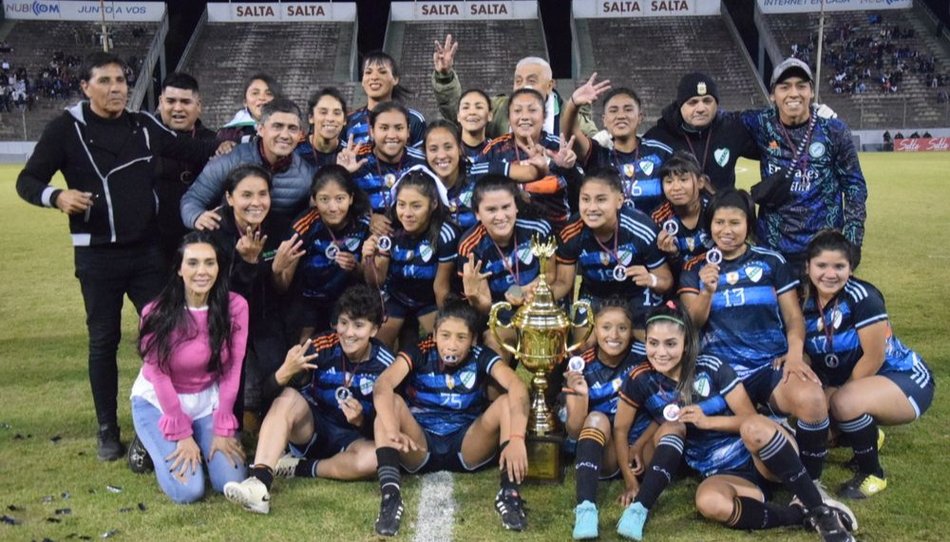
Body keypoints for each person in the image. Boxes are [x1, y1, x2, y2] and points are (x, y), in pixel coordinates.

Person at [15, 52, 225, 460]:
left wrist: (233, 143)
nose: (116, 89)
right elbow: (28, 180)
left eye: (121, 81)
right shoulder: (65, 129)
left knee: (169, 336)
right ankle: (108, 429)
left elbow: (192, 150)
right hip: (97, 257)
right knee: (103, 341)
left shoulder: (143, 125)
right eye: (106, 81)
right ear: (85, 87)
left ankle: (173, 418)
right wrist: (56, 196)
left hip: (146, 253)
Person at [612, 302, 856, 542]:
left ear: (686, 345)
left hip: (759, 455)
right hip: (721, 472)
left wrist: (708, 422)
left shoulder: (711, 366)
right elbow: (623, 428)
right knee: (708, 501)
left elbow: (750, 418)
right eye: (653, 343)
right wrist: (631, 478)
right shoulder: (641, 379)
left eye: (671, 344)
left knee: (753, 427)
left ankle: (821, 513)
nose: (661, 352)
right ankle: (797, 515)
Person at [678, 189, 831, 484]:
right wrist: (707, 290)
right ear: (709, 226)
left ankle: (810, 483)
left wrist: (796, 356)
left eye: (735, 222)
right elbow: (692, 323)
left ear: (749, 224)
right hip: (720, 374)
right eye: (719, 222)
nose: (726, 230)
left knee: (812, 398)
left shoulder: (771, 262)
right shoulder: (694, 267)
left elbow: (793, 317)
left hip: (768, 366)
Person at [224, 285, 394, 514]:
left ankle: (300, 468)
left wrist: (362, 421)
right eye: (344, 323)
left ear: (374, 329)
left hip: (352, 440)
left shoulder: (387, 365)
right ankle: (259, 483)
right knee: (288, 397)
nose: (349, 333)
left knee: (375, 459)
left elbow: (389, 425)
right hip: (312, 429)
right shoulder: (320, 346)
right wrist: (283, 372)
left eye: (359, 325)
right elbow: (268, 399)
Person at [371, 299, 530, 536]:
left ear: (473, 339)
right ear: (434, 335)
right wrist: (393, 429)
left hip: (467, 444)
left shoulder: (480, 355)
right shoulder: (418, 351)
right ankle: (390, 497)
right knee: (388, 408)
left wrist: (517, 437)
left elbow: (517, 386)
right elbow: (383, 385)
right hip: (420, 444)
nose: (452, 345)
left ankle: (509, 495)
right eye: (445, 335)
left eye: (461, 337)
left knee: (506, 402)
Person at [801, 231, 934, 499]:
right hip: (854, 382)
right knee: (813, 415)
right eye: (822, 266)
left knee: (844, 403)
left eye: (839, 266)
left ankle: (873, 474)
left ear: (850, 268)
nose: (830, 274)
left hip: (904, 377)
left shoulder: (863, 297)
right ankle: (867, 434)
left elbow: (874, 358)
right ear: (808, 267)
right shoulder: (804, 301)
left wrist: (837, 400)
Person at [130, 231, 249, 503]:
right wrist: (182, 435)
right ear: (179, 269)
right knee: (189, 491)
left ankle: (198, 438)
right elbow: (159, 376)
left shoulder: (236, 307)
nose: (202, 271)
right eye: (193, 263)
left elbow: (233, 369)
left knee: (231, 481)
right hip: (161, 402)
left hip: (207, 399)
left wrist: (222, 425)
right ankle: (151, 440)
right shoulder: (155, 312)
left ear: (219, 267)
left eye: (210, 262)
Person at [741, 58, 868, 271]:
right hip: (773, 249)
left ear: (811, 92)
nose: (793, 93)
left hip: (823, 248)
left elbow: (855, 186)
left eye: (801, 86)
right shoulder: (759, 123)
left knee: (824, 305)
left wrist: (853, 241)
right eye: (785, 87)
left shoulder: (834, 130)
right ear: (773, 94)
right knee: (778, 305)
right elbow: (717, 122)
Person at [565, 298, 656, 540]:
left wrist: (636, 451)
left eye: (622, 328)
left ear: (632, 331)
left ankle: (640, 505)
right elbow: (574, 431)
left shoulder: (645, 355)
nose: (614, 335)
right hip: (606, 453)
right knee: (596, 418)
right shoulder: (580, 365)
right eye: (606, 327)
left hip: (640, 449)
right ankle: (586, 509)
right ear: (594, 328)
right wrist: (581, 396)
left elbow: (664, 409)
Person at [553, 168, 673, 337]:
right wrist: (539, 297)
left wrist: (651, 279)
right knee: (583, 347)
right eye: (585, 200)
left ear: (619, 201)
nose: (591, 208)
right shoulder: (571, 232)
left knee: (646, 343)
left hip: (636, 293)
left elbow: (666, 281)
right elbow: (564, 282)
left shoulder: (641, 229)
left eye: (601, 200)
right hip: (594, 294)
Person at [182, 97, 315, 234]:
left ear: (300, 134)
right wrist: (197, 216)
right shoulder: (231, 160)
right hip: (230, 244)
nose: (285, 135)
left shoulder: (306, 175)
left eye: (292, 129)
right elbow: (192, 199)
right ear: (260, 129)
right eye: (277, 126)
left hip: (276, 247)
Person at [456, 175, 554, 356]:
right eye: (491, 209)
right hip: (499, 314)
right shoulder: (470, 247)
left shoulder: (539, 229)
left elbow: (551, 275)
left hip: (539, 306)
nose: (500, 216)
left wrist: (525, 290)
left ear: (516, 206)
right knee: (494, 344)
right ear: (477, 213)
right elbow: (485, 308)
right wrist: (474, 297)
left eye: (506, 207)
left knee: (555, 342)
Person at [362, 166, 459, 348]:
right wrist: (368, 259)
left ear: (433, 204)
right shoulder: (388, 230)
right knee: (375, 347)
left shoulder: (446, 234)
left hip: (428, 300)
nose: (407, 213)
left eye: (416, 206)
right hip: (395, 296)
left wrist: (446, 327)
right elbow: (377, 281)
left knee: (443, 346)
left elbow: (441, 288)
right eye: (401, 204)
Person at [432, 35, 595, 139]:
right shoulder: (498, 108)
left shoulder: (571, 115)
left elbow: (596, 148)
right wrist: (445, 77)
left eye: (532, 80)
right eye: (518, 81)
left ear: (550, 85)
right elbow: (459, 115)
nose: (524, 86)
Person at [276, 165, 372, 340]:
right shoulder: (303, 226)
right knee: (304, 346)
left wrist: (355, 267)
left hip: (347, 298)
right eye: (324, 199)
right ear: (314, 200)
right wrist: (276, 271)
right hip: (307, 299)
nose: (333, 207)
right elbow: (283, 285)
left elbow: (371, 278)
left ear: (351, 198)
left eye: (340, 199)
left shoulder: (364, 223)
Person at [562, 76, 674, 214]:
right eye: (613, 111)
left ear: (640, 117)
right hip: (610, 234)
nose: (621, 116)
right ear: (604, 120)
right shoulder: (598, 155)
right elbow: (570, 134)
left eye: (628, 109)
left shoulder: (660, 153)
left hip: (654, 233)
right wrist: (573, 104)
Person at [480, 87, 581, 231]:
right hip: (508, 236)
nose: (524, 116)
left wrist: (568, 169)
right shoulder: (494, 149)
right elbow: (475, 186)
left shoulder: (559, 147)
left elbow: (581, 194)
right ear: (509, 117)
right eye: (517, 111)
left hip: (558, 234)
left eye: (532, 110)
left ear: (544, 116)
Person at [644, 72, 759, 193]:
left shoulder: (732, 129)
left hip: (721, 210)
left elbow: (769, 151)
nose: (701, 109)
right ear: (680, 105)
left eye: (707, 101)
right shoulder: (659, 136)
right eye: (693, 102)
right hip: (677, 211)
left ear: (717, 104)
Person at [154, 72, 218, 266]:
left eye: (185, 102)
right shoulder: (143, 139)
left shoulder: (214, 141)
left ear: (198, 105)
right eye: (171, 101)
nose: (178, 108)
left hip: (201, 241)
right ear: (160, 102)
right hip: (154, 245)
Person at [337, 101, 426, 220]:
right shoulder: (355, 159)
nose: (392, 135)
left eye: (399, 128)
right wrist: (343, 174)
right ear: (372, 131)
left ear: (408, 131)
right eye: (384, 128)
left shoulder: (422, 162)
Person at [345, 51, 426, 147]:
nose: (374, 77)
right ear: (362, 80)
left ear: (395, 79)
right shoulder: (348, 121)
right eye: (368, 72)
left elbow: (420, 159)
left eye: (382, 72)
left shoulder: (413, 120)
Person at [650, 151, 713, 275]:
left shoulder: (714, 210)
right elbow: (663, 272)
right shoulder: (658, 218)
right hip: (678, 282)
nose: (676, 187)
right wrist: (673, 255)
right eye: (669, 181)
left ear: (700, 182)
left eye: (683, 180)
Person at [424, 119, 479, 231]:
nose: (442, 155)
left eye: (448, 147)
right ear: (425, 153)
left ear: (460, 148)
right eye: (433, 149)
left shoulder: (478, 177)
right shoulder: (420, 185)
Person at [217, 73, 281, 144]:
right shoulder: (228, 134)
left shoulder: (289, 129)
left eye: (269, 93)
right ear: (245, 102)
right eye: (255, 93)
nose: (262, 98)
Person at [295, 87, 347, 168]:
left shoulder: (349, 154)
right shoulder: (294, 149)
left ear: (344, 120)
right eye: (323, 112)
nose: (330, 119)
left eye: (337, 113)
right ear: (311, 118)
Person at [457, 88, 492, 159]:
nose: (472, 112)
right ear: (458, 116)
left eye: (479, 107)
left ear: (490, 115)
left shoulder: (499, 151)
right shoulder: (451, 151)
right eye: (466, 107)